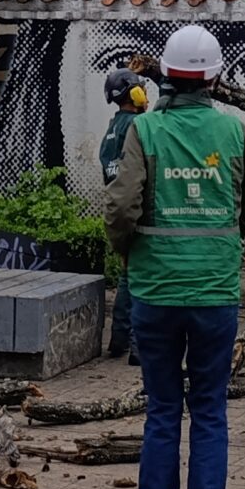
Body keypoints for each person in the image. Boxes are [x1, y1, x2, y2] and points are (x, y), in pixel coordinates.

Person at [106, 22, 245, 489]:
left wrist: (129, 252)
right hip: (215, 294)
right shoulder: (235, 132)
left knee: (162, 411)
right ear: (216, 78)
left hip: (154, 293)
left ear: (167, 76)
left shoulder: (143, 133)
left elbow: (121, 208)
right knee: (211, 412)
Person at [98, 63, 157, 363]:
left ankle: (118, 341)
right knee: (144, 279)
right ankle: (138, 347)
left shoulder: (111, 130)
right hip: (137, 210)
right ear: (132, 92)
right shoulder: (138, 128)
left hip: (117, 211)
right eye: (141, 89)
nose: (146, 94)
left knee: (127, 275)